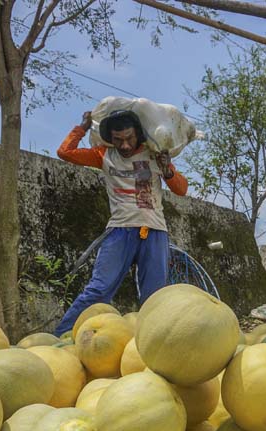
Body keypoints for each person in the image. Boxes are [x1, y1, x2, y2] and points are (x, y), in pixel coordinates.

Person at [54, 109, 188, 336]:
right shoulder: (103, 155)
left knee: (154, 296)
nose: (124, 145)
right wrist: (84, 126)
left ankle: (151, 343)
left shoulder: (154, 155)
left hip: (154, 231)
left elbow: (181, 189)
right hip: (119, 231)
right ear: (110, 138)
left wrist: (167, 170)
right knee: (99, 289)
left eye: (129, 138)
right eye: (118, 140)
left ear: (138, 134)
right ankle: (61, 337)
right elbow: (65, 152)